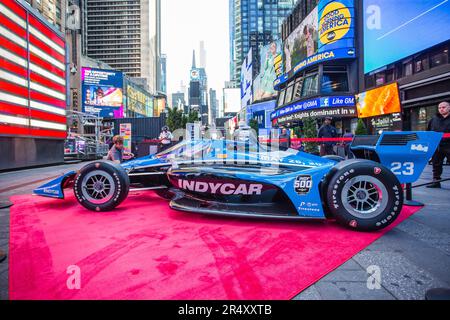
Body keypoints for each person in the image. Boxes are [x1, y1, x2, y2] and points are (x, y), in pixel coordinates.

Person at [427, 101, 450, 188]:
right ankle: (436, 181)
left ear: (449, 108)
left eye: (443, 107)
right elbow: (428, 132)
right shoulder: (433, 119)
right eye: (440, 108)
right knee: (436, 164)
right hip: (437, 145)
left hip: (449, 145)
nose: (441, 109)